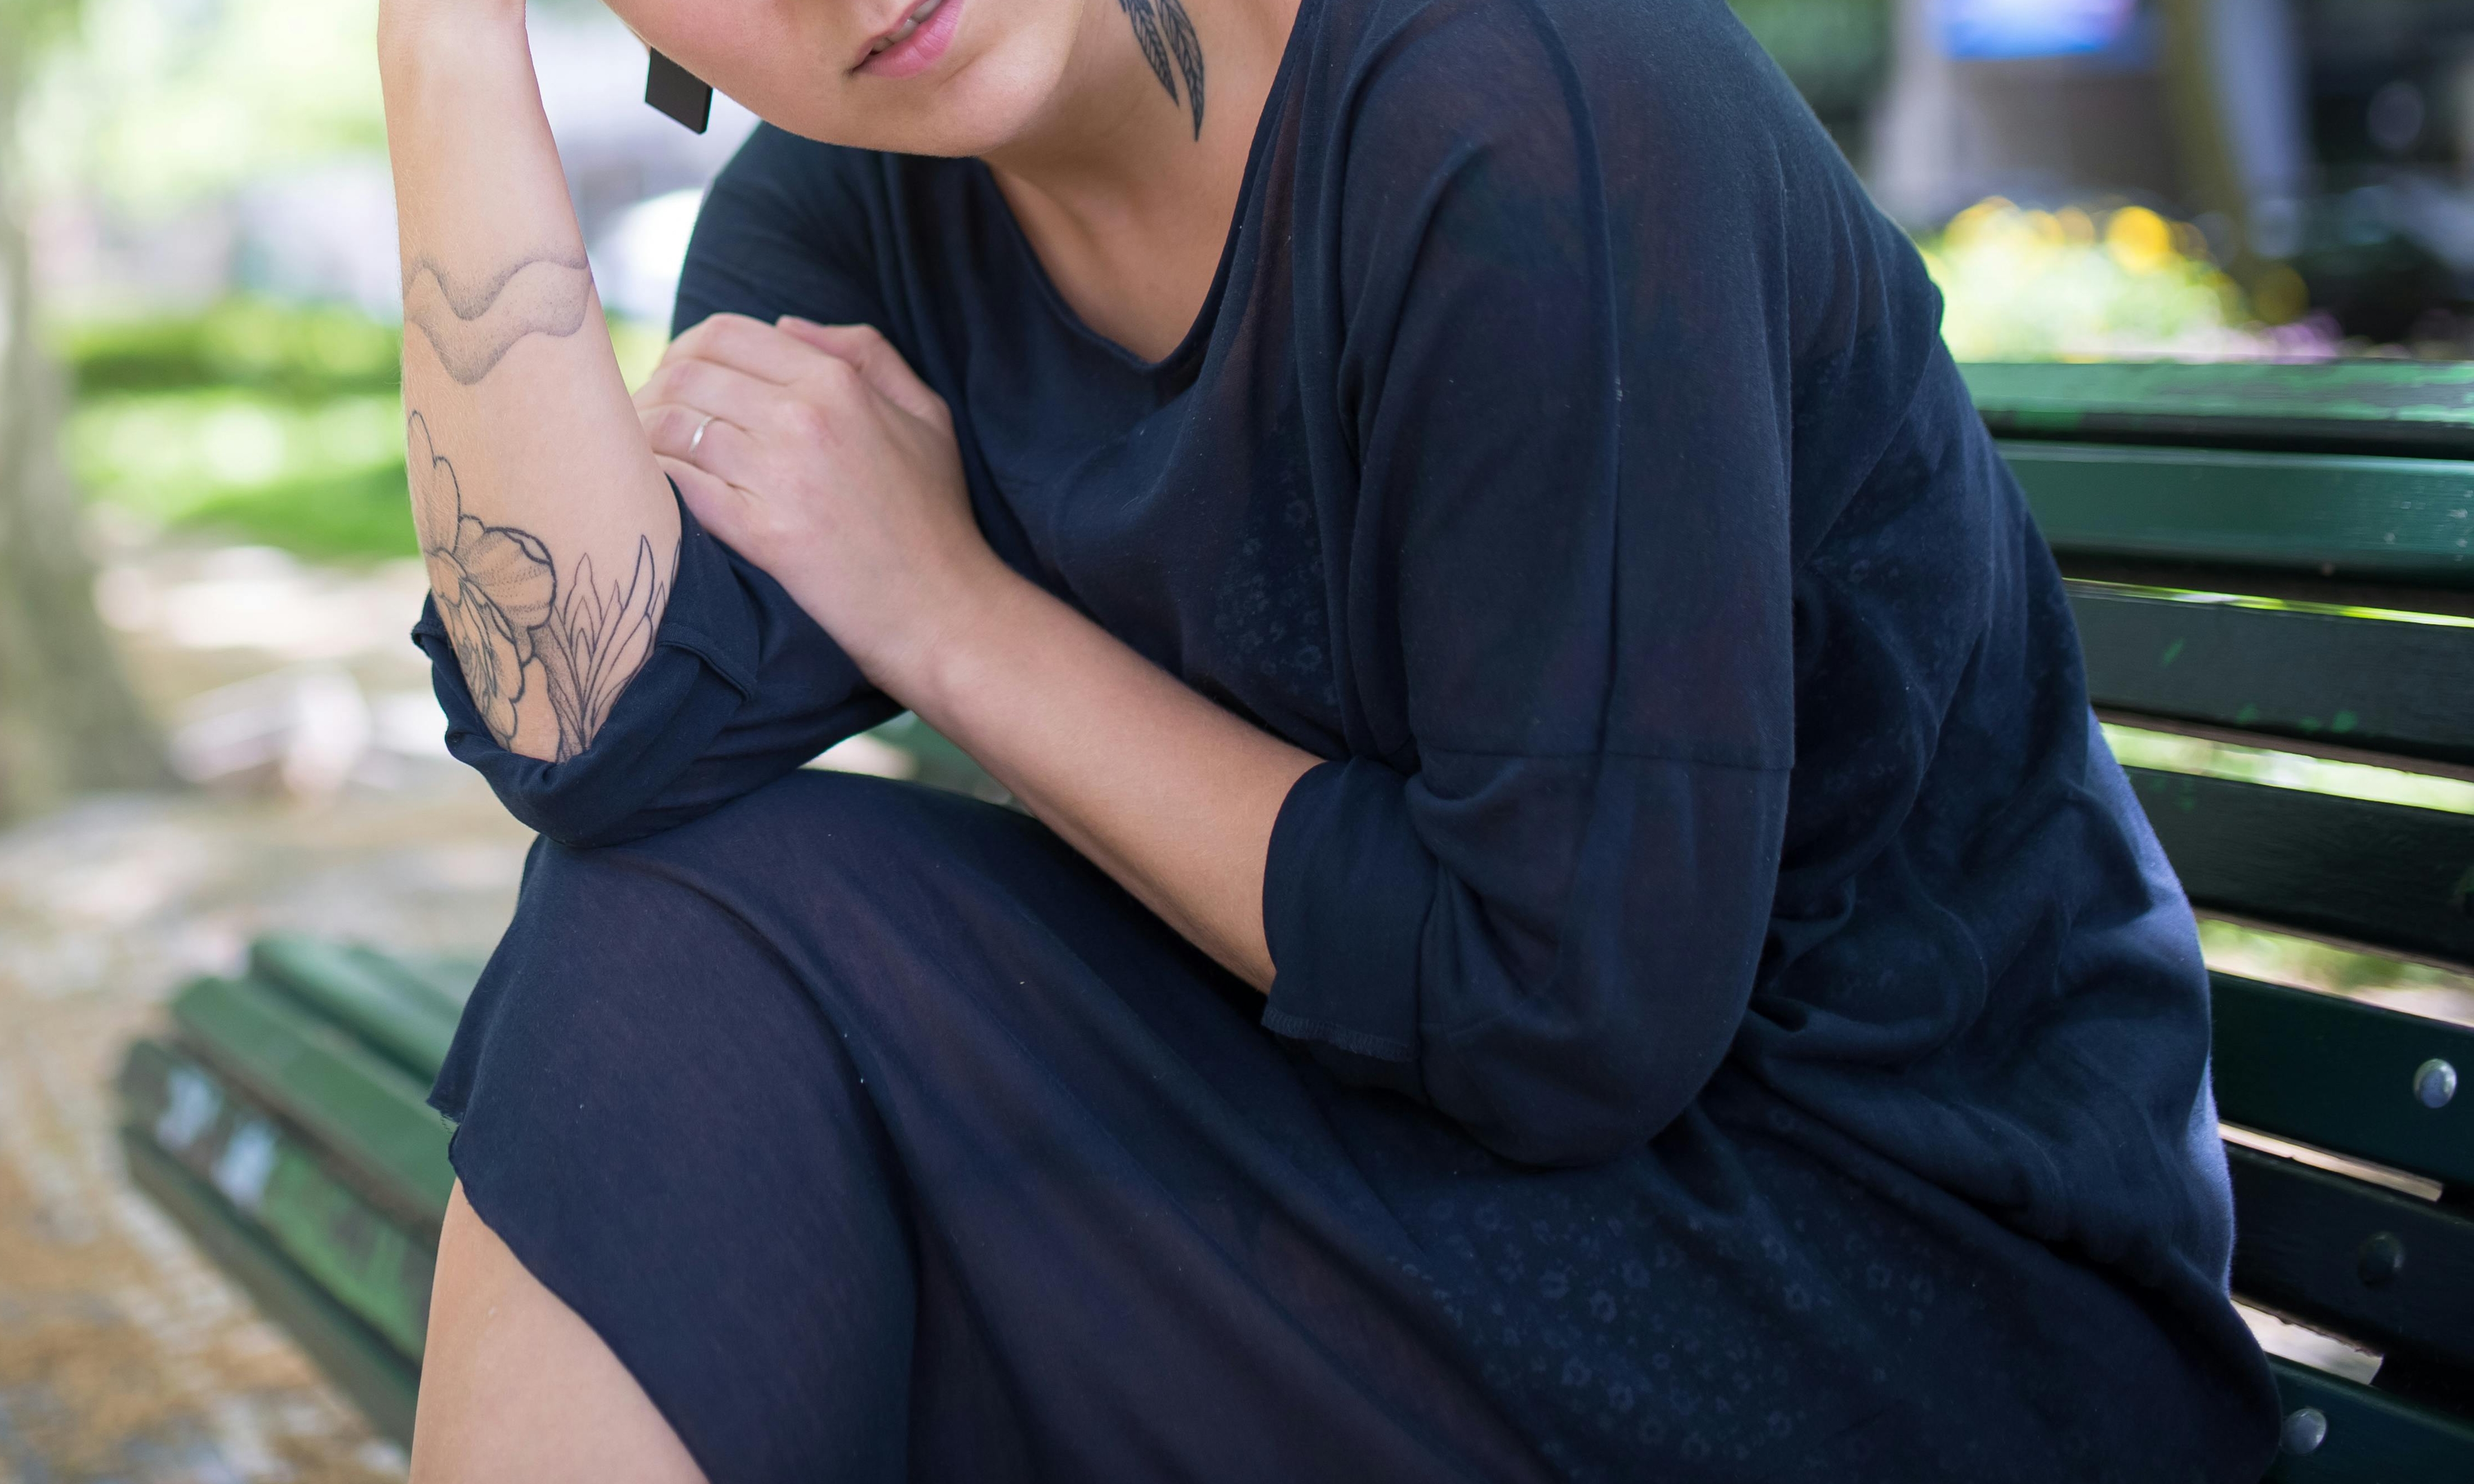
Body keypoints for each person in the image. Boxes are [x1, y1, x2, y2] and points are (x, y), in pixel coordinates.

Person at [380, 0, 2283, 1477]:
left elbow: (1568, 1012)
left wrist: (948, 612)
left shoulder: (1526, 94)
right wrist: (440, 48)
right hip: (1413, 1197)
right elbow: (593, 725)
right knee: (670, 933)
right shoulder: (859, 202)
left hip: (1885, 1297)